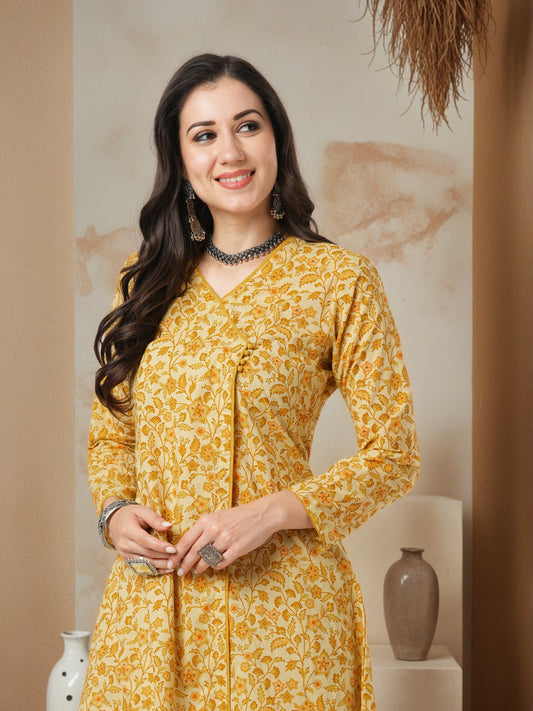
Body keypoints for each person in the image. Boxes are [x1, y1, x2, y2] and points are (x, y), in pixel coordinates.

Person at [80, 53, 419, 711]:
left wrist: (269, 513)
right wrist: (115, 513)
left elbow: (394, 456)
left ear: (276, 139)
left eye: (247, 126)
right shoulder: (145, 281)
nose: (229, 152)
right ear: (181, 160)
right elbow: (113, 437)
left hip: (285, 617)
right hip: (154, 613)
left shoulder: (338, 281)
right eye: (204, 134)